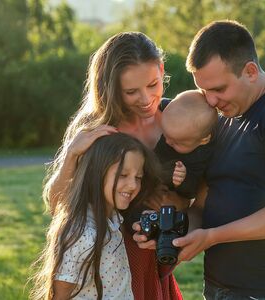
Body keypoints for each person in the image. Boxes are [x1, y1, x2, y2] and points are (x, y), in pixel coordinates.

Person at [137, 20, 265, 299]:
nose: (212, 101)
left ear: (250, 71)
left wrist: (213, 237)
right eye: (204, 91)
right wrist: (175, 236)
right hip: (219, 286)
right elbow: (203, 204)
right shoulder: (224, 118)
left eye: (219, 89)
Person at [42, 32, 184, 300]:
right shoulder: (98, 130)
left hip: (157, 255)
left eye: (153, 84)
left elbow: (198, 195)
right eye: (131, 92)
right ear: (111, 88)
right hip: (112, 259)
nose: (146, 99)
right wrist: (72, 153)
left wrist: (172, 207)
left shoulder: (178, 119)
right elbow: (56, 204)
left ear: (162, 70)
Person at [31, 133, 160, 300]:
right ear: (97, 173)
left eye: (138, 177)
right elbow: (60, 295)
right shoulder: (83, 234)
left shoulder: (113, 218)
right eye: (123, 175)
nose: (133, 185)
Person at [155, 89, 218, 199]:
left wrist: (183, 179)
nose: (167, 142)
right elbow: (156, 104)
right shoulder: (171, 109)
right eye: (165, 134)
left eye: (176, 142)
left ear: (203, 140)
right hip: (154, 160)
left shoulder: (202, 156)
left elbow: (193, 189)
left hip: (170, 183)